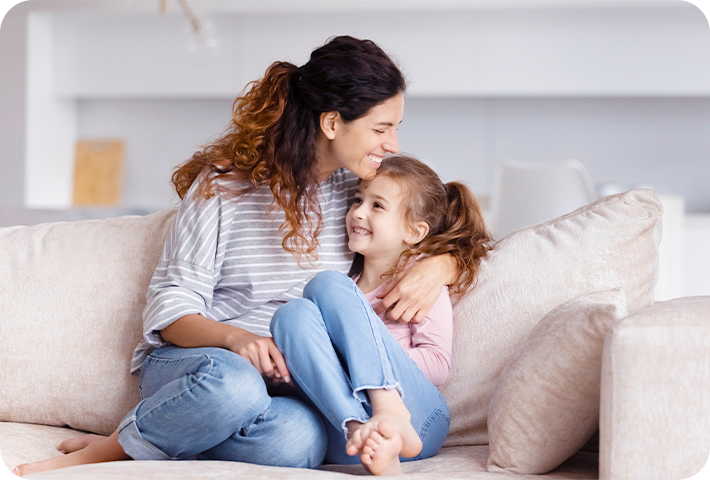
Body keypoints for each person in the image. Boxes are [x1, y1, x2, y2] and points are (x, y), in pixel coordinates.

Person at [13, 36, 461, 477]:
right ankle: (115, 448)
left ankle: (160, 433)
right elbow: (171, 309)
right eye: (381, 128)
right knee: (236, 387)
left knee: (299, 440)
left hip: (288, 384)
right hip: (203, 358)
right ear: (331, 124)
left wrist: (441, 264)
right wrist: (235, 339)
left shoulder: (355, 191)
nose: (393, 144)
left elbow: (443, 216)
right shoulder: (223, 186)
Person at [270, 155, 492, 475]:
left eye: (377, 206)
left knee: (325, 284)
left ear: (415, 232)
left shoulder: (417, 283)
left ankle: (390, 411)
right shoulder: (348, 291)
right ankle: (362, 432)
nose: (358, 211)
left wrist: (363, 349)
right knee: (292, 314)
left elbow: (438, 364)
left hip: (419, 420)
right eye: (358, 199)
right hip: (350, 436)